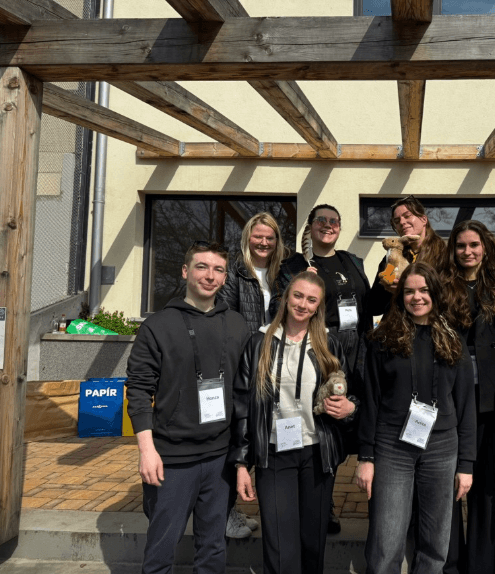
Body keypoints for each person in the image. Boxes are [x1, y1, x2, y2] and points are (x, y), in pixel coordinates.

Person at [126, 241, 249, 574]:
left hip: (220, 457)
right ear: (185, 271)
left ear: (225, 278)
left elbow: (244, 393)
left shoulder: (237, 325)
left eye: (218, 270)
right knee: (161, 549)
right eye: (201, 267)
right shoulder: (157, 326)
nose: (210, 276)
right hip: (172, 458)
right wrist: (146, 451)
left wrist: (241, 458)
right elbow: (139, 391)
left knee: (213, 549)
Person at [229, 271, 357, 574]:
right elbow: (242, 406)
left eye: (311, 300)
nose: (302, 304)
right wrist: (241, 463)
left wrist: (350, 408)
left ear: (318, 306)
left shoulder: (329, 344)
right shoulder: (259, 342)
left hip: (317, 454)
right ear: (286, 298)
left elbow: (351, 394)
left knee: (312, 542)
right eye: (297, 296)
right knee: (279, 544)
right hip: (275, 453)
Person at [356, 262, 476, 573]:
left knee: (435, 543)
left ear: (435, 293)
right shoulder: (383, 339)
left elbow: (466, 405)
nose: (417, 297)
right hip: (392, 446)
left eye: (424, 290)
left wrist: (466, 464)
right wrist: (366, 456)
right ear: (400, 297)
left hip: (442, 446)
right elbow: (370, 401)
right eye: (409, 292)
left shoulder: (453, 340)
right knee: (386, 540)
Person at [270, 204, 372, 533]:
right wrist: (301, 282)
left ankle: (372, 493)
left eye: (334, 221)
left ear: (340, 227)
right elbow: (279, 305)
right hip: (321, 350)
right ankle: (321, 501)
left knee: (358, 417)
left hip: (358, 351)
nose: (328, 225)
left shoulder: (352, 261)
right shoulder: (295, 265)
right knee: (323, 422)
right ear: (310, 227)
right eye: (321, 220)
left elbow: (370, 305)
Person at [441, 221, 495, 574]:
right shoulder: (442, 285)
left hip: (489, 397)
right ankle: (450, 562)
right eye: (461, 245)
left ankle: (482, 565)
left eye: (474, 244)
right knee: (448, 481)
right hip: (449, 395)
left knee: (484, 485)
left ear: (485, 246)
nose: (467, 251)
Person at [216, 211, 289, 537]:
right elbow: (226, 320)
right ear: (248, 238)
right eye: (258, 236)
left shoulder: (282, 274)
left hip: (275, 363)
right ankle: (224, 513)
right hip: (243, 365)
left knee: (260, 434)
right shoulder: (235, 274)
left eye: (269, 237)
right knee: (238, 436)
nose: (263, 242)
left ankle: (235, 508)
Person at [366, 195, 448, 316]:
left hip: (430, 323)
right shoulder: (392, 256)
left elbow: (449, 297)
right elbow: (374, 307)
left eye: (407, 216)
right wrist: (387, 288)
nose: (402, 222)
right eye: (397, 221)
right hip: (398, 323)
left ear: (424, 219)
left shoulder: (444, 254)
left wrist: (404, 290)